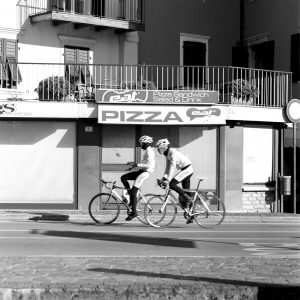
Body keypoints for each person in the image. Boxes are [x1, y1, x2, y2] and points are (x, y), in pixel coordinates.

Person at [121, 135, 155, 221]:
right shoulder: (147, 151)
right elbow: (144, 163)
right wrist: (134, 164)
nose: (140, 145)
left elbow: (149, 165)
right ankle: (131, 198)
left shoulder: (150, 151)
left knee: (134, 191)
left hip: (145, 173)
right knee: (124, 177)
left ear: (146, 143)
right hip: (141, 171)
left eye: (141, 143)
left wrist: (137, 165)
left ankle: (134, 212)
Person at [155, 138, 194, 211]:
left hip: (187, 169)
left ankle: (188, 199)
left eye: (159, 148)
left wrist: (168, 180)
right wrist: (164, 178)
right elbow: (167, 166)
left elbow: (172, 166)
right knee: (186, 192)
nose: (158, 149)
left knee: (172, 184)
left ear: (164, 147)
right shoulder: (167, 154)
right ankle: (191, 214)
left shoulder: (172, 152)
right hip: (185, 170)